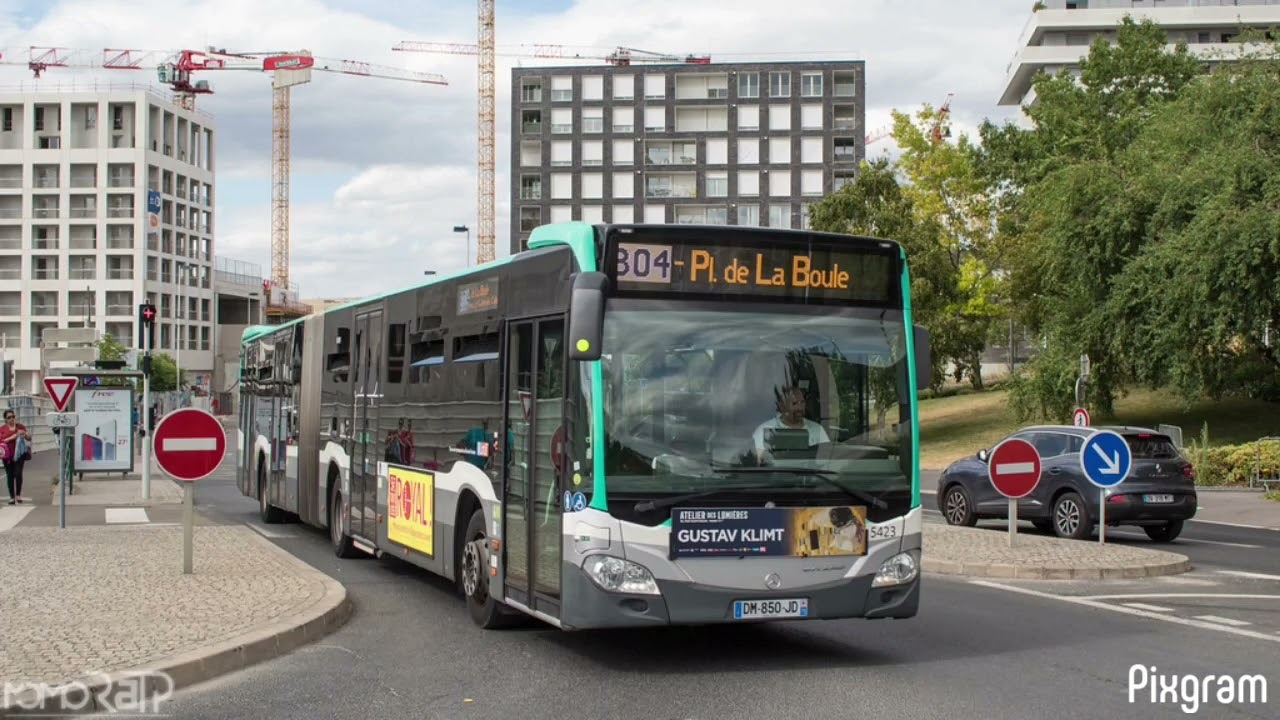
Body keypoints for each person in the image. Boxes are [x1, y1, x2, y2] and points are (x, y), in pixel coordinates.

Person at [752, 385, 829, 460]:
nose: (800, 407)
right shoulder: (764, 430)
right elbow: (759, 462)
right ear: (781, 406)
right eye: (794, 403)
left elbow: (827, 459)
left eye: (802, 402)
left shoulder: (818, 430)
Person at [1, 408, 30, 505]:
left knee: (18, 474)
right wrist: (14, 436)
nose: (12, 419)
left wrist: (25, 434)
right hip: (7, 456)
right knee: (9, 475)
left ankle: (18, 494)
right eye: (9, 417)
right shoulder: (2, 429)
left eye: (13, 416)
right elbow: (2, 441)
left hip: (19, 455)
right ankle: (11, 497)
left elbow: (29, 438)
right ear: (5, 419)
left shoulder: (20, 426)